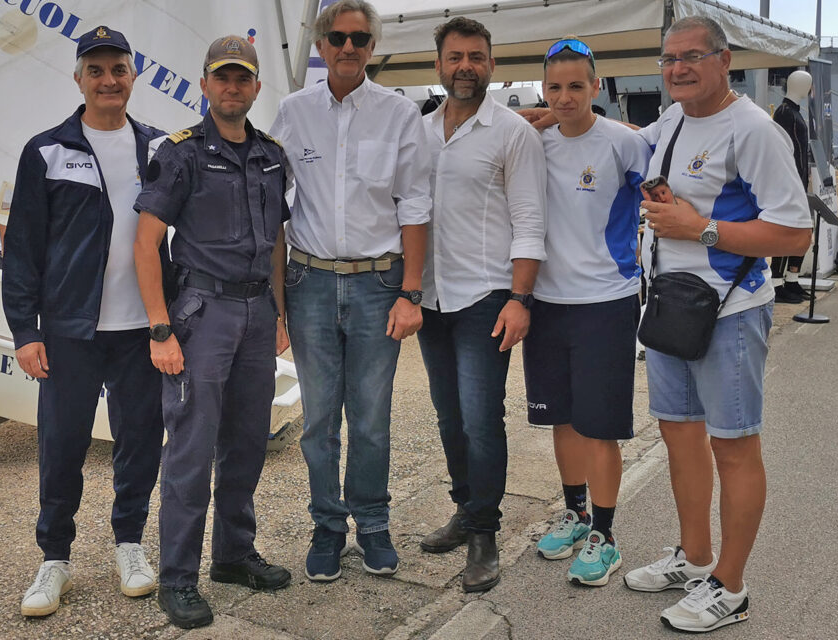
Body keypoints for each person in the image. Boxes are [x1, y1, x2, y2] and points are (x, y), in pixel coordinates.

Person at [623, 17, 811, 633]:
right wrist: (549, 117)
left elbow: (793, 234)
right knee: (679, 438)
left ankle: (730, 586)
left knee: (733, 448)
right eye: (669, 58)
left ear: (723, 60)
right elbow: (631, 140)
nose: (678, 68)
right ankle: (695, 557)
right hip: (674, 307)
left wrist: (697, 228)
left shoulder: (754, 130)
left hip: (728, 310)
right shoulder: (674, 118)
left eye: (692, 57)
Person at [2, 26, 166, 619]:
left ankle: (130, 545)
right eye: (95, 70)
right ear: (79, 79)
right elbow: (22, 248)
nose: (108, 80)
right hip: (70, 331)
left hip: (141, 329)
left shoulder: (158, 149)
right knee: (62, 444)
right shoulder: (45, 151)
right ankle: (55, 558)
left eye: (118, 69)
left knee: (139, 441)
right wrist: (26, 331)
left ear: (132, 76)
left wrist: (172, 321)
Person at [133, 35, 293, 629]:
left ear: (255, 87)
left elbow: (277, 240)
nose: (232, 87)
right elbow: (146, 244)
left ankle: (232, 555)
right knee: (192, 452)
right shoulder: (181, 154)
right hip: (202, 315)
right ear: (204, 85)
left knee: (248, 443)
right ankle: (177, 578)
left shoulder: (271, 155)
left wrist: (280, 313)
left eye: (243, 78)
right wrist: (159, 329)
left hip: (256, 316)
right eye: (222, 78)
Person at [268, 0, 431, 582]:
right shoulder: (291, 112)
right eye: (337, 37)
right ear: (319, 43)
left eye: (359, 39)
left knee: (370, 417)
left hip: (378, 285)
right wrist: (277, 305)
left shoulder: (399, 113)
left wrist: (411, 292)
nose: (347, 48)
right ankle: (327, 526)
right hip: (308, 281)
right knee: (317, 420)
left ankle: (374, 522)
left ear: (371, 47)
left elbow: (414, 203)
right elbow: (273, 207)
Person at [416, 16, 546, 593]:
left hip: (485, 298)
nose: (464, 66)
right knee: (448, 416)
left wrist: (520, 298)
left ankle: (485, 534)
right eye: (454, 56)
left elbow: (530, 221)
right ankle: (466, 509)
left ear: (491, 65)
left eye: (476, 56)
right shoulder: (420, 131)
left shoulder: (512, 132)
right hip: (431, 298)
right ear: (438, 64)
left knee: (480, 416)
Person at [527, 37, 649, 588]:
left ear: (596, 87)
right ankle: (574, 514)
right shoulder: (536, 141)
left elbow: (666, 198)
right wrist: (534, 119)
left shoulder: (624, 143)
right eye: (554, 87)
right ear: (542, 89)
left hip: (605, 301)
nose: (565, 97)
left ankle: (605, 533)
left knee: (601, 428)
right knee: (563, 419)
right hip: (547, 303)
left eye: (577, 86)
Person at [770, 70, 813, 303]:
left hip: (799, 181)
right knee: (787, 231)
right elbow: (785, 151)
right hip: (790, 182)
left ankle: (791, 279)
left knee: (803, 231)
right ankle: (777, 282)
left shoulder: (794, 112)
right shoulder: (785, 113)